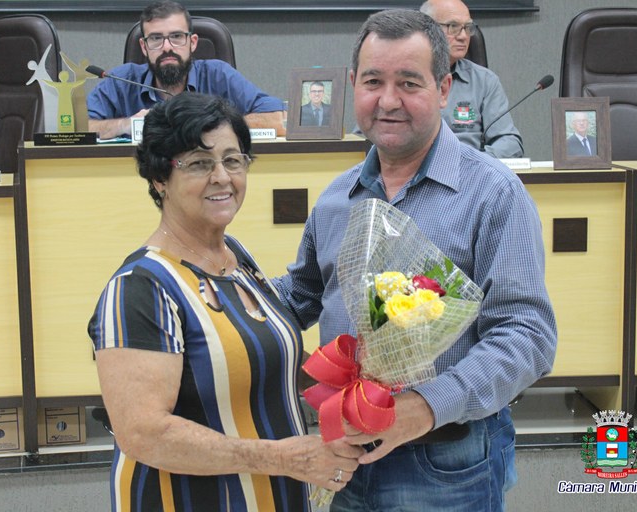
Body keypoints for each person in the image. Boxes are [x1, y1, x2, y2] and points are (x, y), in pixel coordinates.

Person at [274, 9, 556, 512]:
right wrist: (218, 294)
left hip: (445, 459)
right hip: (343, 452)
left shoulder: (494, 194)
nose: (388, 101)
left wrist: (425, 406)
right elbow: (300, 296)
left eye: (408, 83)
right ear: (353, 87)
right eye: (373, 82)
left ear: (443, 89)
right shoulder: (337, 197)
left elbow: (527, 335)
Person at [87, 93, 362, 511]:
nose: (222, 177)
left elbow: (257, 358)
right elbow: (144, 434)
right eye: (199, 163)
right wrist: (283, 458)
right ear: (160, 178)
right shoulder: (140, 287)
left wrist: (355, 387)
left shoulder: (235, 257)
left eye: (233, 160)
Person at [86, 1, 285, 139]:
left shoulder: (219, 75)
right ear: (144, 47)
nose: (167, 47)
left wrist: (208, 126)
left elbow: (278, 119)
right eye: (156, 38)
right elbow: (78, 130)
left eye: (176, 37)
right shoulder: (121, 81)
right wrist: (125, 125)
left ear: (193, 42)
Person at [420, 0, 524, 159]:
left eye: (468, 27)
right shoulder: (403, 79)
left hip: (472, 170)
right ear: (426, 30)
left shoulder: (484, 81)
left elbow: (510, 144)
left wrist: (472, 162)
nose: (463, 36)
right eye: (453, 26)